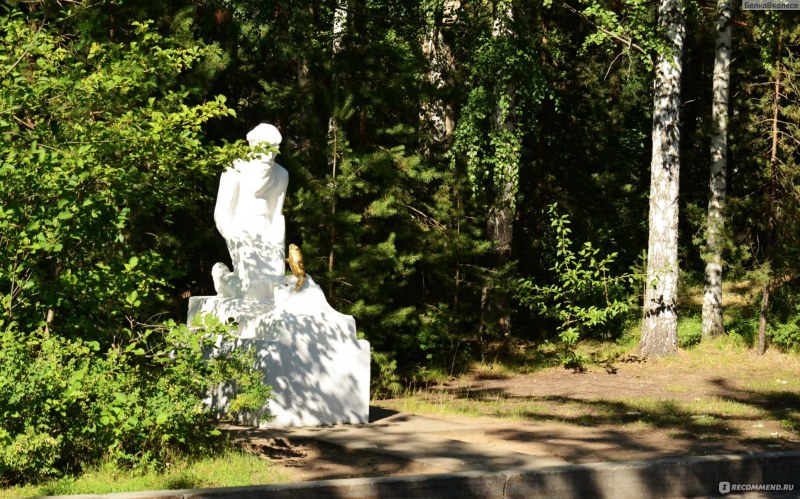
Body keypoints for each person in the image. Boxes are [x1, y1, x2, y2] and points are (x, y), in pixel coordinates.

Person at [212, 123, 289, 301]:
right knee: (250, 293)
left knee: (273, 291)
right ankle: (221, 276)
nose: (270, 155)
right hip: (240, 230)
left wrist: (277, 248)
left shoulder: (281, 174)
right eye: (266, 148)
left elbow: (276, 215)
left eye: (275, 149)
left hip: (267, 233)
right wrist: (234, 238)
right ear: (253, 145)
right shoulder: (235, 168)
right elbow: (222, 213)